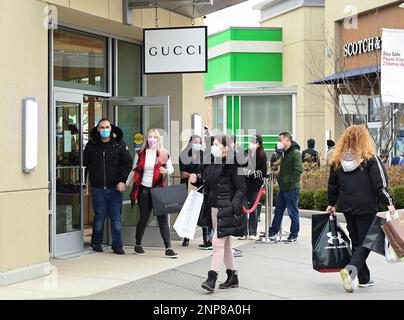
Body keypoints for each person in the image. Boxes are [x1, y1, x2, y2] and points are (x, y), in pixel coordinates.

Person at [327, 125, 395, 293]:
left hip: (347, 206)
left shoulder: (338, 160)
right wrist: (389, 202)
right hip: (366, 206)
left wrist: (331, 203)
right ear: (365, 139)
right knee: (367, 243)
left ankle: (364, 278)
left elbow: (332, 184)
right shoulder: (370, 159)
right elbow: (380, 184)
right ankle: (350, 270)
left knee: (357, 241)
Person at [190, 135, 246, 292]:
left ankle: (212, 277)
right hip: (213, 208)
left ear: (225, 148)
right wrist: (196, 181)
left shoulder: (233, 164)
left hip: (226, 209)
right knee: (225, 244)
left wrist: (233, 207)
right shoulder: (212, 162)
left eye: (215, 144)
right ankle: (232, 276)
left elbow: (241, 188)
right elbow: (207, 183)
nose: (212, 147)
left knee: (217, 242)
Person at [84, 118, 133, 254]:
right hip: (98, 188)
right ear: (98, 130)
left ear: (111, 129)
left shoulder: (119, 145)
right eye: (102, 128)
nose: (104, 130)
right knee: (99, 217)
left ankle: (117, 246)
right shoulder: (91, 145)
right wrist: (84, 184)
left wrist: (123, 180)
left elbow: (128, 163)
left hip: (115, 189)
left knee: (116, 218)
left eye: (107, 127)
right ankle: (96, 243)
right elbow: (84, 166)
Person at [129, 128, 178, 258]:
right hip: (144, 190)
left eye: (154, 137)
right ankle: (138, 245)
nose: (152, 139)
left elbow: (171, 169)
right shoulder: (140, 153)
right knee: (144, 218)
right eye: (150, 137)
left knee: (162, 218)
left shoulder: (164, 153)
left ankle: (168, 248)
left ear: (158, 139)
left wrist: (165, 171)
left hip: (158, 190)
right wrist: (128, 182)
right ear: (146, 139)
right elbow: (134, 170)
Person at [268, 132, 303, 243]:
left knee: (293, 212)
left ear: (287, 141)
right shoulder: (284, 153)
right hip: (283, 188)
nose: (279, 143)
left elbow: (298, 170)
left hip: (291, 188)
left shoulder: (295, 153)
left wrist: (289, 180)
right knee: (278, 210)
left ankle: (294, 234)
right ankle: (273, 231)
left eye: (281, 140)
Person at [239, 135, 267, 240]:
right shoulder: (245, 154)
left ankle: (252, 232)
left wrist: (253, 173)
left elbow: (263, 172)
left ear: (258, 144)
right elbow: (240, 168)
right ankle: (243, 232)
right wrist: (245, 172)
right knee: (243, 209)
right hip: (244, 185)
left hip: (255, 186)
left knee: (253, 209)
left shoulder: (262, 156)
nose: (250, 144)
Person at [179, 135, 204, 247]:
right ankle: (186, 238)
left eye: (199, 143)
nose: (197, 145)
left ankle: (206, 239)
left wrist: (199, 176)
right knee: (188, 213)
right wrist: (193, 175)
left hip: (200, 186)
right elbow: (182, 173)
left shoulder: (203, 155)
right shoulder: (184, 154)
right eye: (195, 142)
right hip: (187, 186)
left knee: (203, 211)